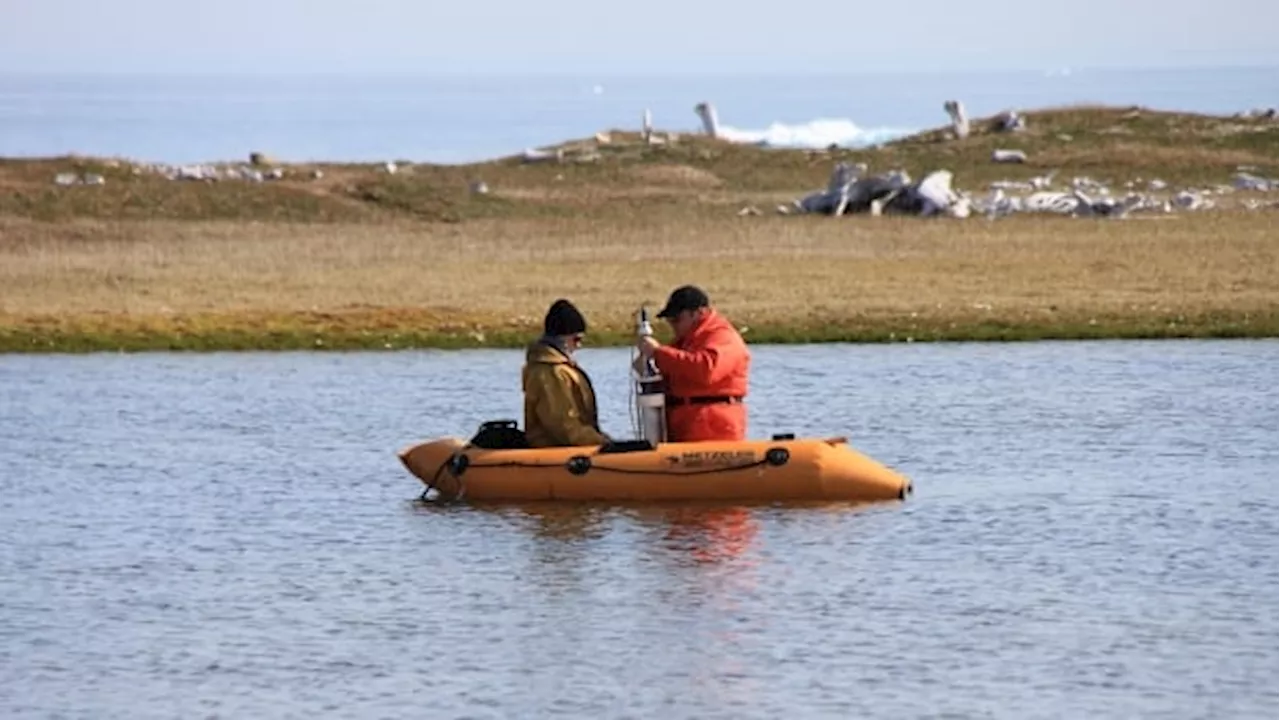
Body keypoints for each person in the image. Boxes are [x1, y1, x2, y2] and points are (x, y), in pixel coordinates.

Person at [636, 285, 751, 442]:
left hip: (712, 427)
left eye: (676, 319)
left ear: (699, 313)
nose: (673, 325)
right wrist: (645, 364)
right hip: (685, 424)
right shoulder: (685, 341)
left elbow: (706, 370)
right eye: (669, 320)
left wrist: (658, 353)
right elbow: (673, 365)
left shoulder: (723, 336)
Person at [522, 299, 610, 448]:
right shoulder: (550, 372)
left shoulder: (559, 368)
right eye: (576, 339)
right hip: (554, 454)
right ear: (561, 339)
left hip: (572, 449)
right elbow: (564, 426)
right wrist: (603, 443)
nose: (579, 346)